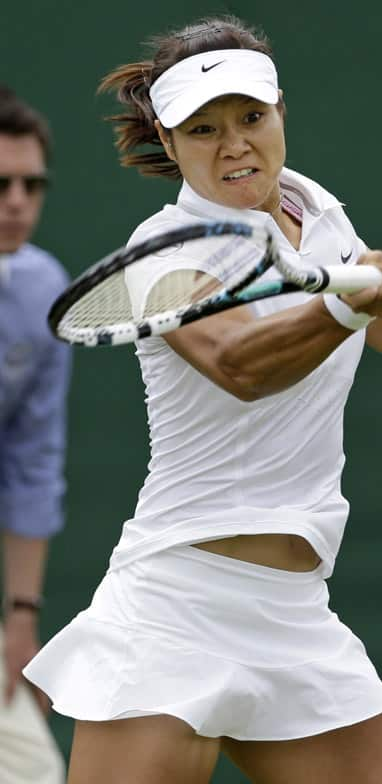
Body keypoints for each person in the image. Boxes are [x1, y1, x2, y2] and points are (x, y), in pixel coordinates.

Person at [24, 16, 382, 784]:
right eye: (202, 129)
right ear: (169, 145)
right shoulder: (162, 255)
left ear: (280, 113)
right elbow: (240, 365)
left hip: (294, 614)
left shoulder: (314, 210)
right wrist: (345, 309)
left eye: (250, 118)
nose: (233, 144)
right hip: (176, 609)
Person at [0, 86, 70, 784]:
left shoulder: (42, 291)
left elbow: (31, 464)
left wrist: (21, 618)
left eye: (31, 184)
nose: (17, 200)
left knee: (32, 774)